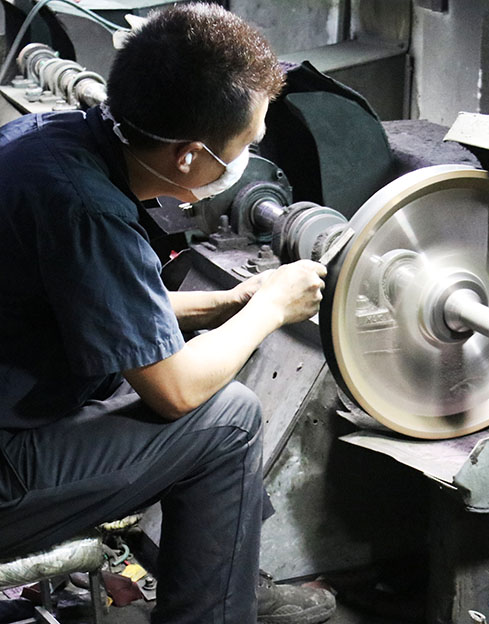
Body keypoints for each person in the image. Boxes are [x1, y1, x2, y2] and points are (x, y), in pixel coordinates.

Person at [0, 4, 336, 623]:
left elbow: (106, 304)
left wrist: (231, 301)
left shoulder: (48, 140)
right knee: (229, 419)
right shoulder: (91, 211)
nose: (248, 158)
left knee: (157, 380)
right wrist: (269, 309)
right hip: (5, 469)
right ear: (189, 157)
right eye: (246, 145)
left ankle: (226, 568)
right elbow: (175, 391)